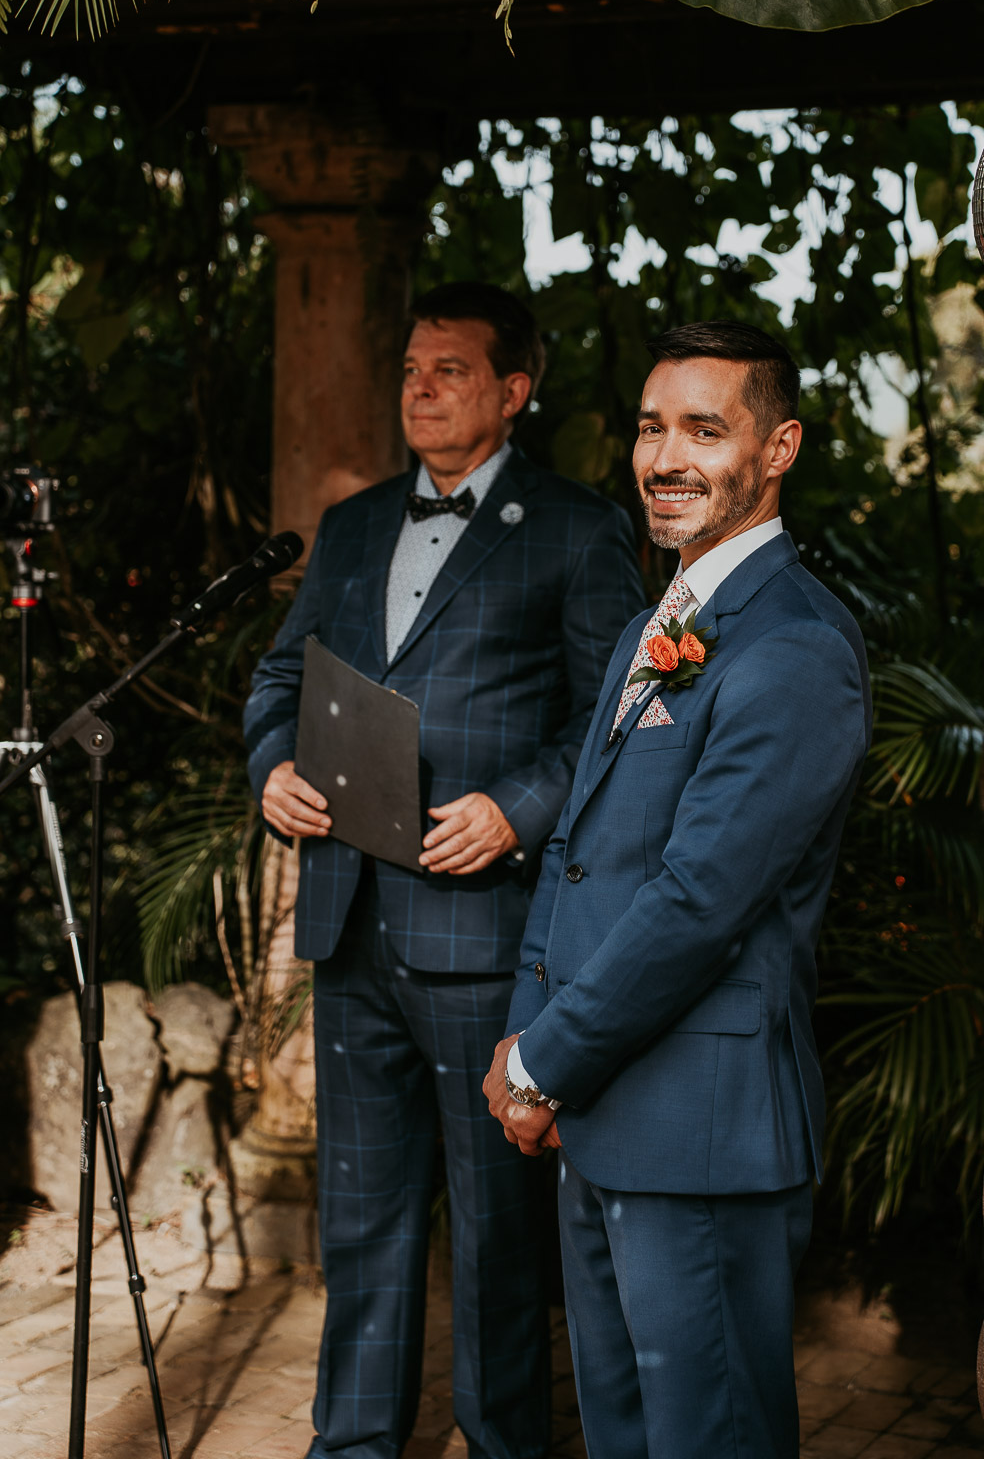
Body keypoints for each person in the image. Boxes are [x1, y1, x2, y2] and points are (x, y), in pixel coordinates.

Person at [244, 281, 645, 1459]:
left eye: (450, 370)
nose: (420, 387)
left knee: (496, 1236)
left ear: (513, 393)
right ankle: (353, 1447)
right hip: (351, 922)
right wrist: (272, 770)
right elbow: (280, 682)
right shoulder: (358, 522)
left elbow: (612, 718)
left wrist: (515, 813)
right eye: (412, 368)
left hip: (485, 937)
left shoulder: (576, 529)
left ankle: (503, 1444)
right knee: (359, 1225)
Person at [484, 320, 872, 1459]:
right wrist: (530, 1038)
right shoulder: (673, 620)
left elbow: (702, 899)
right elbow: (582, 850)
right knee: (622, 1436)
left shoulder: (794, 644)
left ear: (780, 446)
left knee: (711, 1440)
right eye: (654, 428)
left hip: (702, 1130)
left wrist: (548, 1056)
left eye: (706, 429)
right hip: (602, 1114)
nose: (666, 458)